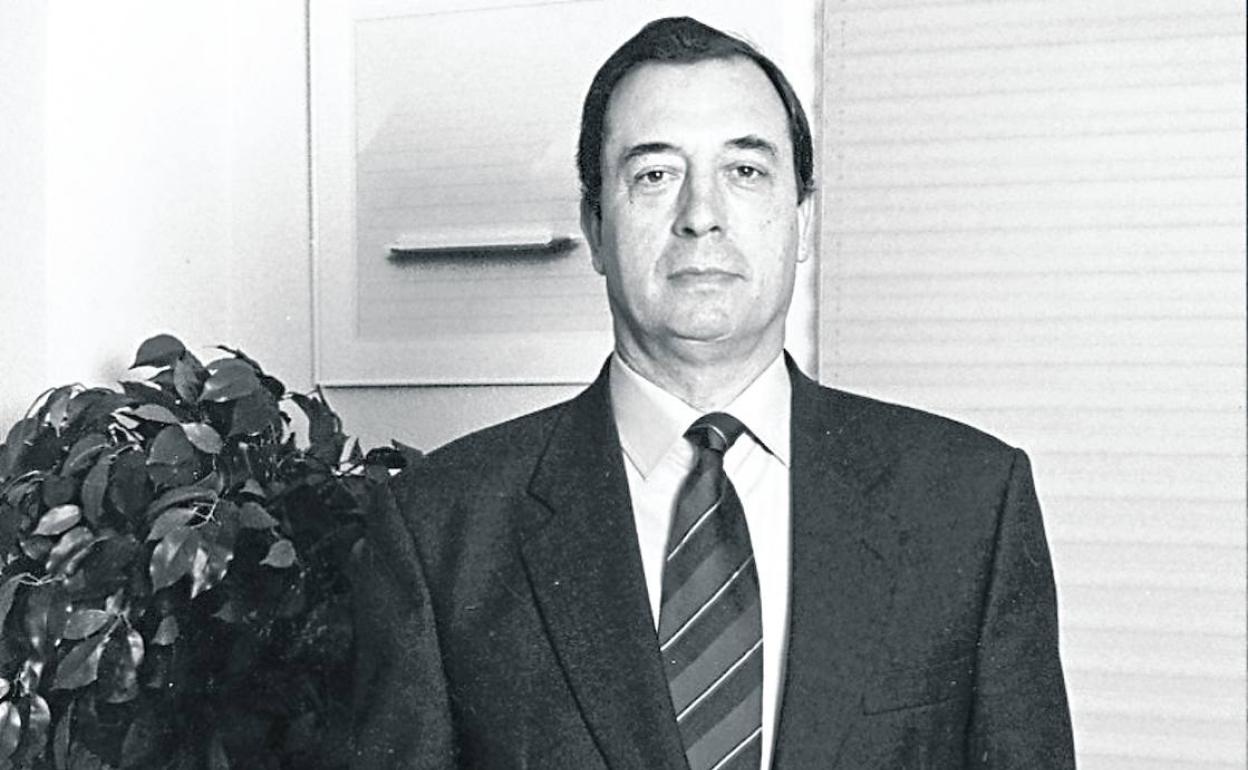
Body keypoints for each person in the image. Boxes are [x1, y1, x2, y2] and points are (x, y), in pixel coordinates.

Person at [352, 16, 1075, 769]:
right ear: (594, 227)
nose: (701, 216)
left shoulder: (970, 503)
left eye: (745, 171)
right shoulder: (440, 529)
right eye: (654, 175)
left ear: (802, 221)